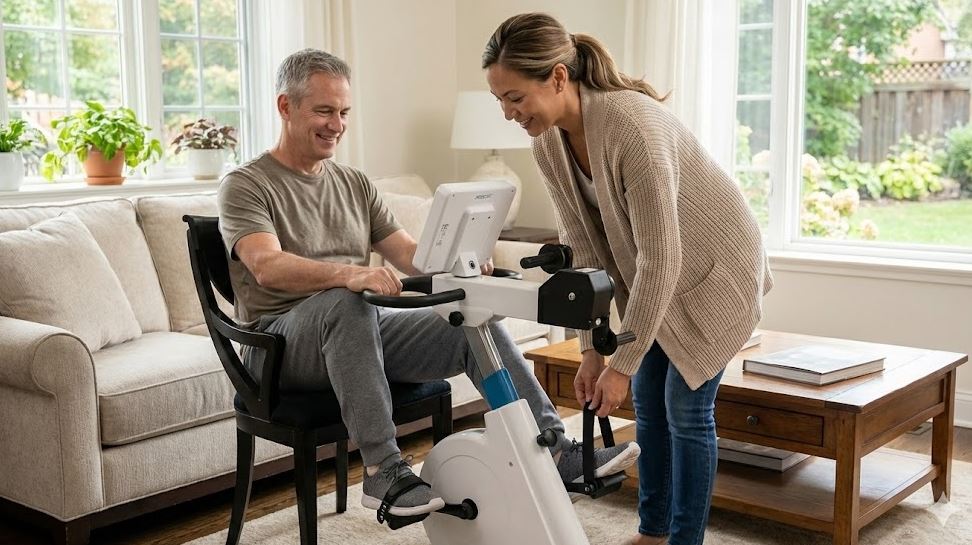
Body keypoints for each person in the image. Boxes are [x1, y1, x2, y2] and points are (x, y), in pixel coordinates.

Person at [216, 48, 640, 519]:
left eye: (343, 112)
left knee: (467, 321)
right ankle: (383, 469)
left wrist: (460, 263)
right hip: (278, 349)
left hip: (356, 330)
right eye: (323, 111)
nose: (336, 124)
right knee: (347, 301)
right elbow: (265, 265)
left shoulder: (354, 183)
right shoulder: (247, 184)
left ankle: (556, 451)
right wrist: (350, 274)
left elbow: (409, 256)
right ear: (285, 106)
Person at [482, 13, 773, 545]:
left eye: (516, 97)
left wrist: (622, 364)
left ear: (558, 77)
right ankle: (653, 532)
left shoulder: (632, 125)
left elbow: (664, 258)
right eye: (500, 99)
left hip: (713, 271)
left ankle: (686, 540)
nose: (508, 113)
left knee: (685, 412)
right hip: (656, 274)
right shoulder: (549, 143)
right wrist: (593, 351)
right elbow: (587, 255)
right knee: (651, 409)